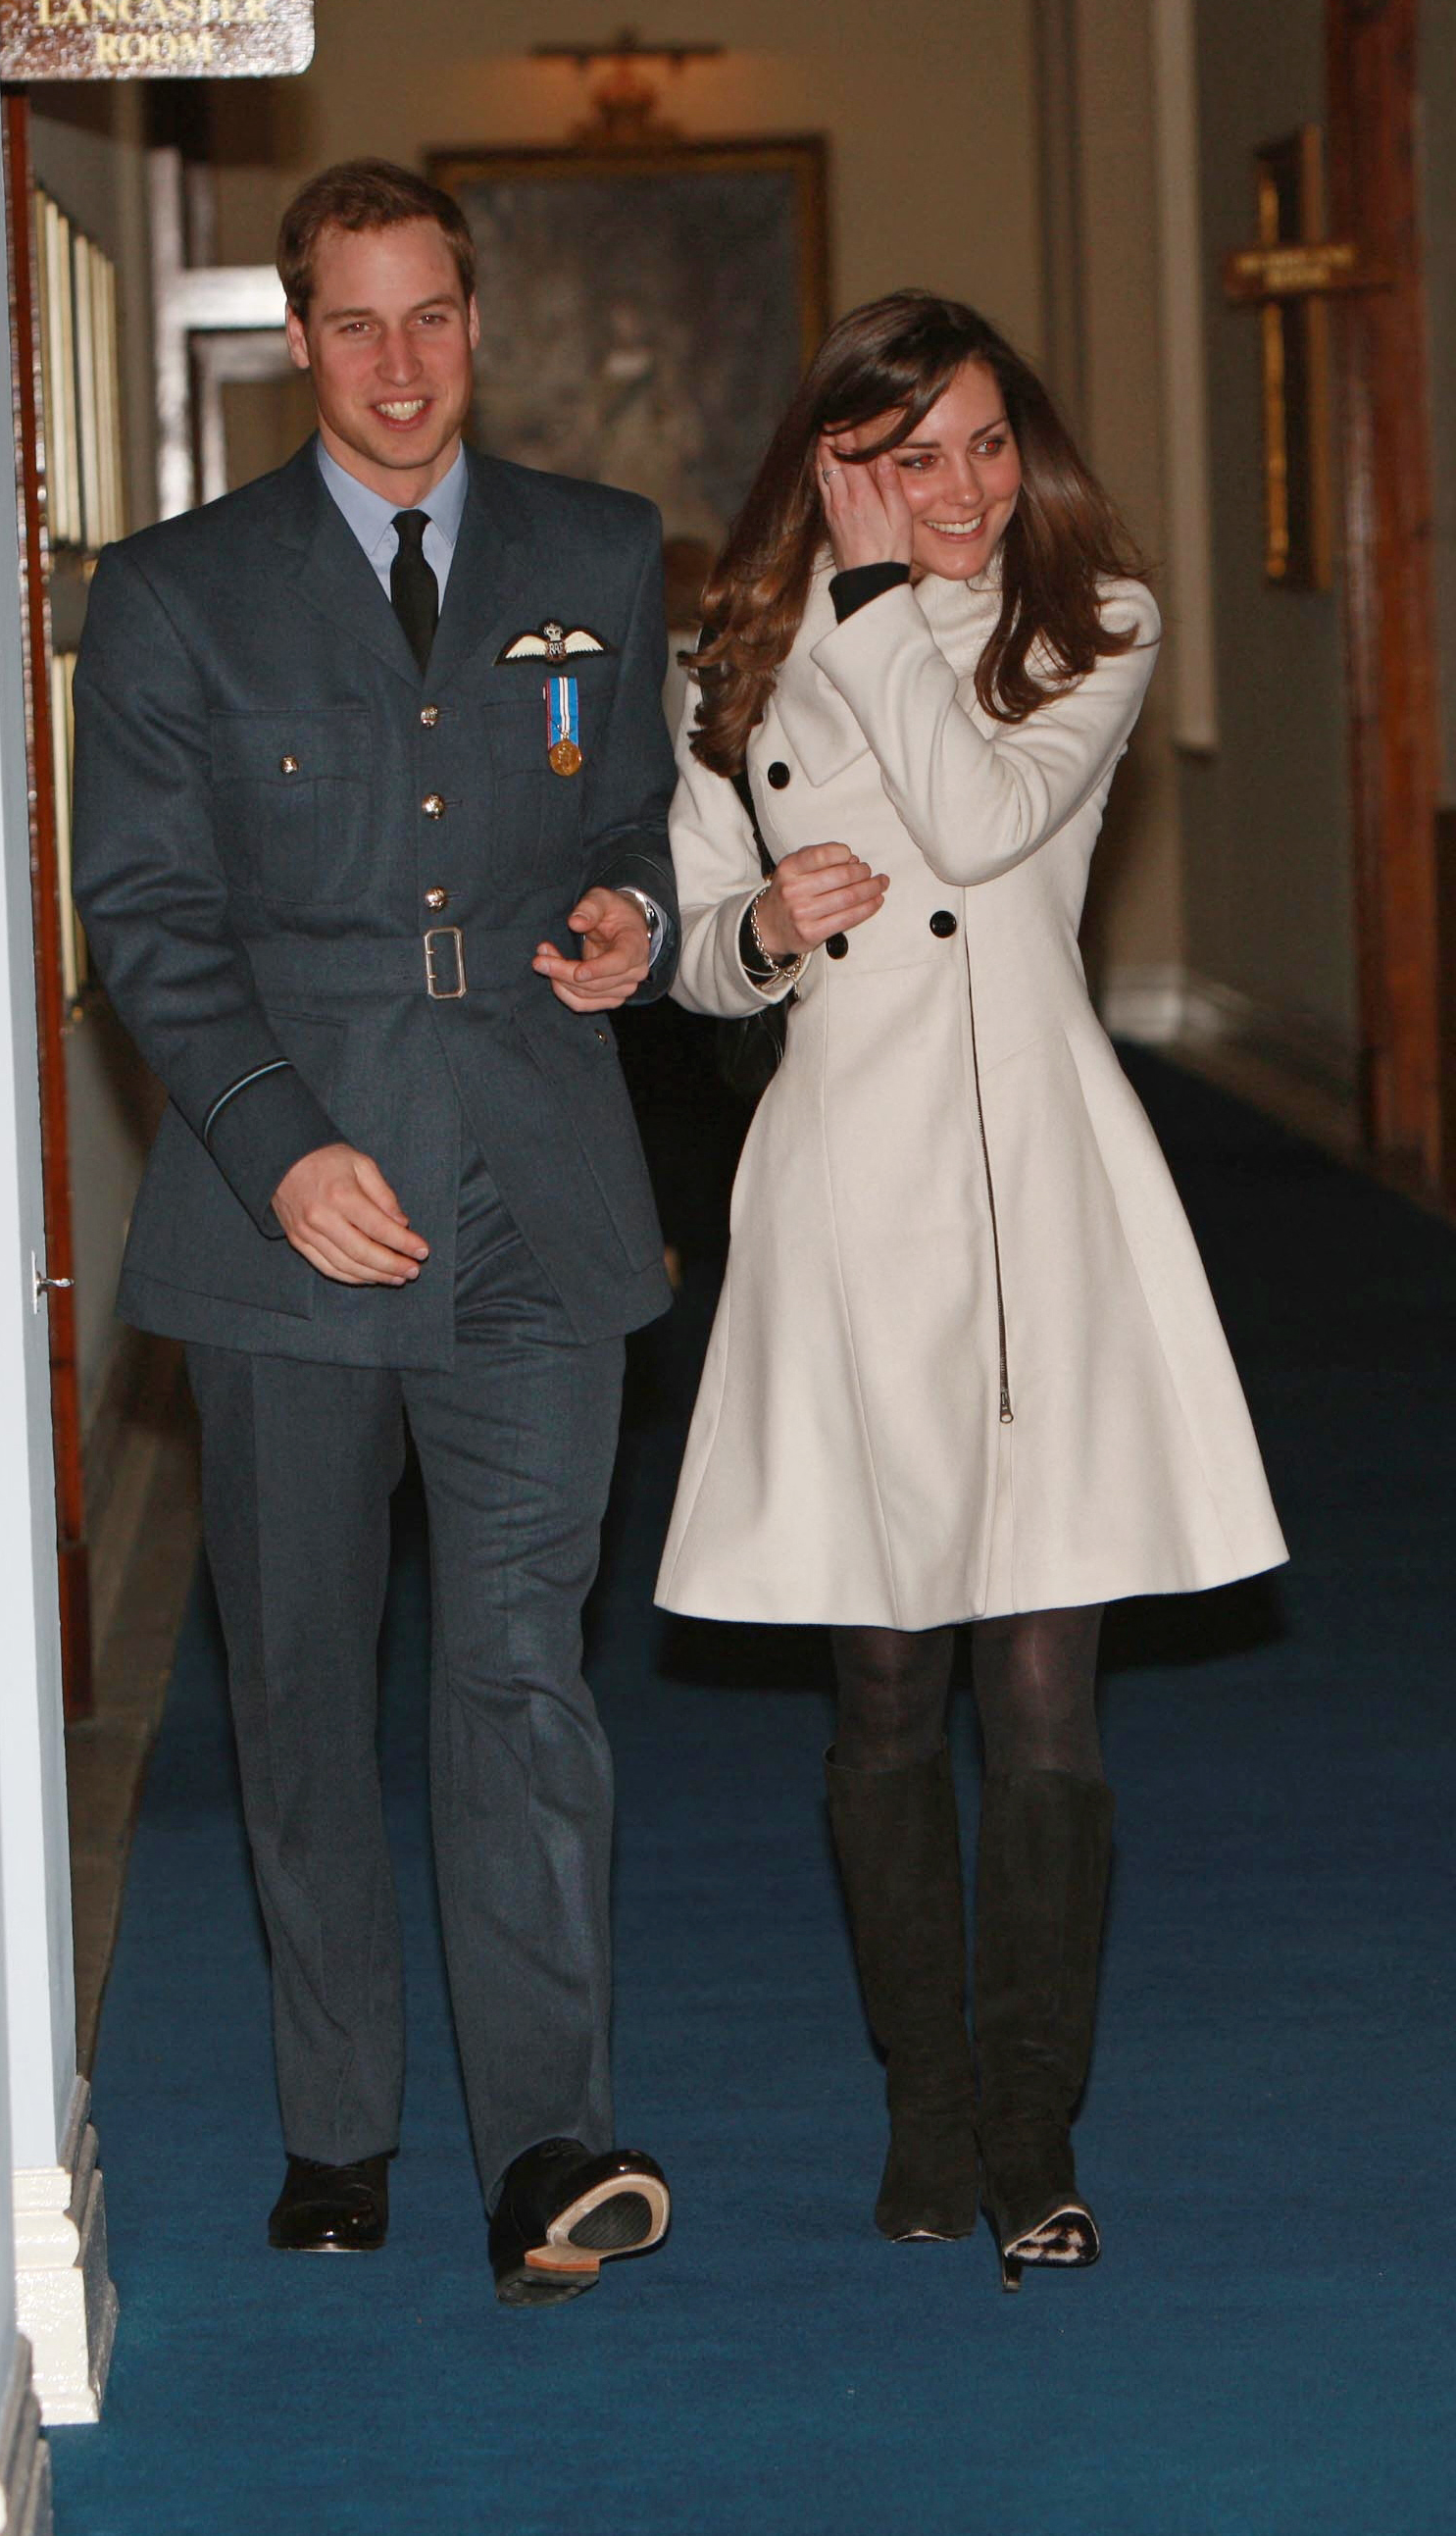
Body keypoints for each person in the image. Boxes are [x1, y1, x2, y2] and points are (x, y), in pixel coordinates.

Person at [72, 160, 678, 2308]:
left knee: (520, 1675)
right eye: (356, 325)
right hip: (288, 1220)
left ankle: (546, 2147)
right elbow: (143, 922)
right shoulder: (169, 594)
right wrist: (269, 1143)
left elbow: (625, 815)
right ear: (294, 336)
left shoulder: (597, 555)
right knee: (307, 1688)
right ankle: (341, 2120)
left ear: (471, 324)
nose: (400, 367)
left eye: (432, 319)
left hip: (534, 1189)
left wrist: (633, 917)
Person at [655, 293, 1286, 2290]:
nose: (958, 489)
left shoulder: (1087, 628)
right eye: (909, 453)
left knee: (1039, 1703)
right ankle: (920, 2112)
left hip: (1031, 1192)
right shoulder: (736, 652)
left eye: (985, 445)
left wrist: (862, 604)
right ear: (833, 457)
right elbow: (687, 943)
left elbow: (978, 818)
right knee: (874, 1688)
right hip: (845, 1188)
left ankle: (1032, 2138)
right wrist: (747, 925)